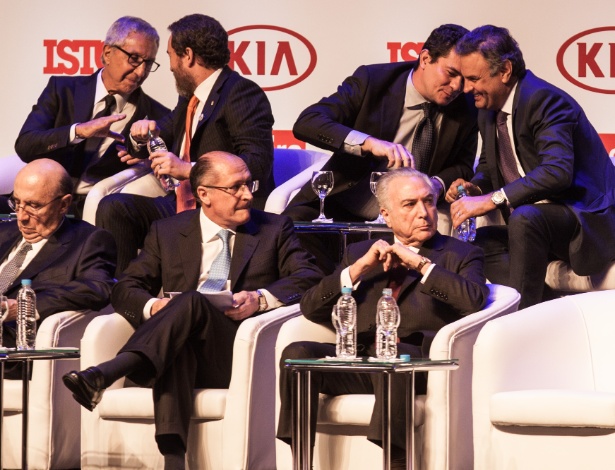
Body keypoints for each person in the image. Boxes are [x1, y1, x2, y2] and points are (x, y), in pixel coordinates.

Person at [63, 151, 321, 469]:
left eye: (248, 184)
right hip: (173, 345)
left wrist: (260, 298)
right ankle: (174, 460)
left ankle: (111, 370)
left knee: (191, 301)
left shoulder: (274, 228)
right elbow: (125, 288)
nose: (247, 194)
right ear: (204, 194)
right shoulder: (167, 231)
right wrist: (155, 306)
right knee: (182, 330)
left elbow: (309, 276)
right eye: (236, 187)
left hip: (236, 352)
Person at [277, 168, 489, 467]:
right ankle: (299, 460)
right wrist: (357, 270)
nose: (423, 212)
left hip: (415, 364)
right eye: (410, 204)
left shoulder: (461, 253)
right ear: (386, 216)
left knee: (396, 360)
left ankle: (396, 461)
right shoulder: (360, 252)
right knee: (297, 353)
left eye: (428, 201)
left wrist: (422, 265)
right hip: (362, 360)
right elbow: (311, 308)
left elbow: (474, 300)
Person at [283, 24, 478, 272]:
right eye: (451, 73)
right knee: (286, 233)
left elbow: (463, 165)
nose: (458, 86)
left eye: (464, 78)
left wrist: (436, 185)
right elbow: (308, 122)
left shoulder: (468, 106)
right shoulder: (374, 82)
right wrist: (368, 143)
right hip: (339, 204)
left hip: (403, 224)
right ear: (425, 58)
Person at [446, 25, 615, 309]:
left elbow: (557, 172)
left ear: (505, 71)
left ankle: (520, 324)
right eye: (464, 79)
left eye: (473, 79)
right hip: (538, 224)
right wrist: (475, 187)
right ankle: (546, 309)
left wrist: (492, 199)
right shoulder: (488, 108)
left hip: (583, 220)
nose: (466, 88)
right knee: (479, 244)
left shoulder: (544, 100)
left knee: (525, 219)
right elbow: (490, 165)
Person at [95, 13, 275, 275]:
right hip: (183, 204)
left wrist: (188, 170)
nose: (170, 67)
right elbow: (160, 133)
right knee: (114, 208)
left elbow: (258, 163)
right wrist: (139, 135)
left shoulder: (241, 93)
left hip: (220, 208)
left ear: (187, 55)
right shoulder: (190, 97)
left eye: (170, 55)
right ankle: (124, 292)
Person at [14, 16, 169, 217]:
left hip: (96, 211)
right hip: (42, 203)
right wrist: (78, 131)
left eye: (148, 63)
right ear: (107, 53)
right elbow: (25, 146)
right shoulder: (63, 90)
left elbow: (167, 174)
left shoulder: (157, 117)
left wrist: (148, 164)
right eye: (134, 59)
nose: (141, 72)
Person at [0, 159, 116, 377]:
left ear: (64, 204)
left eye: (33, 206)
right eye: (17, 203)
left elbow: (98, 287)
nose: (22, 217)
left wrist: (22, 307)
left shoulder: (88, 241)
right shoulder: (4, 232)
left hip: (13, 345)